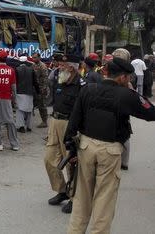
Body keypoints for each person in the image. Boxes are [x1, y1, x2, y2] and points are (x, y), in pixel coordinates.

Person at [64, 57, 155, 234]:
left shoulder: (88, 89)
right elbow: (151, 113)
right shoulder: (127, 95)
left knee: (82, 196)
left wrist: (70, 146)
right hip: (110, 151)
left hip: (86, 147)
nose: (129, 81)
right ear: (122, 78)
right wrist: (134, 93)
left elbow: (74, 119)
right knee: (104, 199)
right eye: (128, 78)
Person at [44, 54, 82, 214]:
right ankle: (62, 190)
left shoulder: (81, 84)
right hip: (55, 121)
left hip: (71, 126)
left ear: (72, 68)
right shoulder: (59, 80)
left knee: (71, 163)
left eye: (63, 66)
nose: (59, 68)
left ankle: (75, 198)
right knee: (49, 159)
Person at [0, 50, 20, 151]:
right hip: (7, 98)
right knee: (10, 121)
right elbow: (14, 87)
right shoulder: (11, 70)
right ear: (6, 58)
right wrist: (15, 101)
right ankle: (14, 144)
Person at [15, 55, 39, 133]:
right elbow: (35, 82)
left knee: (20, 110)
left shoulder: (17, 69)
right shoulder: (31, 70)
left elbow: (15, 82)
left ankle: (21, 126)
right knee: (29, 110)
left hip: (20, 92)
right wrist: (38, 92)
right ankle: (29, 126)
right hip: (29, 92)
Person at [32, 52, 49, 128]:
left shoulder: (43, 66)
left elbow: (45, 78)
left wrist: (44, 89)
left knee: (42, 105)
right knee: (39, 105)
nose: (33, 59)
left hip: (42, 88)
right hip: (36, 88)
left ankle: (44, 121)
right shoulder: (33, 65)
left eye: (35, 57)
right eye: (33, 57)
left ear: (39, 57)